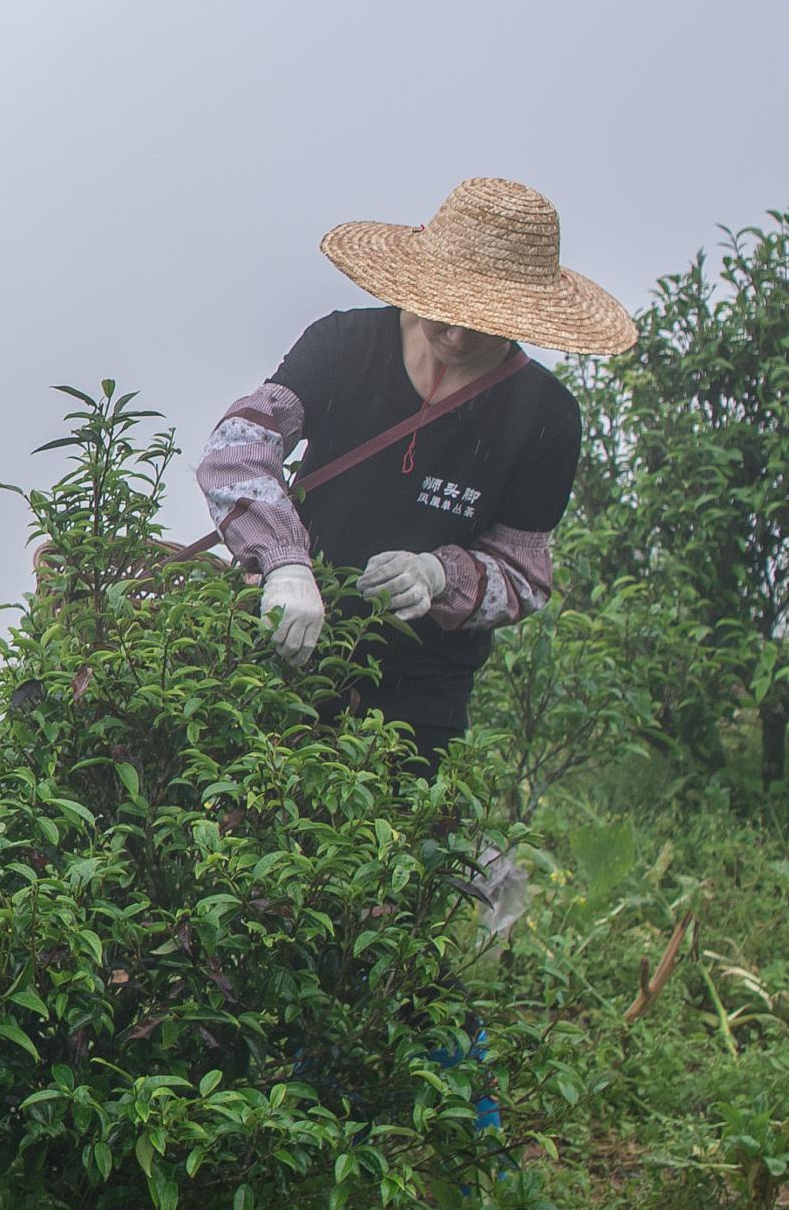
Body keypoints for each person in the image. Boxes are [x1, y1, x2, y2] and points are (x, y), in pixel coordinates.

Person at [195, 177, 635, 773]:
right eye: (445, 311)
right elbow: (238, 447)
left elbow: (525, 574)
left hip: (418, 700)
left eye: (482, 322)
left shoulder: (546, 416)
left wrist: (440, 575)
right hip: (288, 646)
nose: (456, 336)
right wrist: (285, 563)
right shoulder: (345, 344)